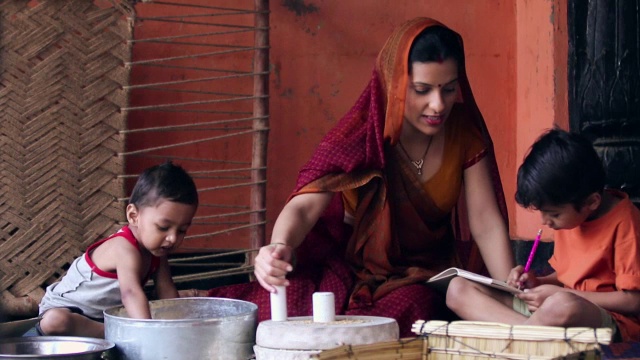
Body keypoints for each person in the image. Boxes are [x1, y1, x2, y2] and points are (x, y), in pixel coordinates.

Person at [207, 17, 514, 337]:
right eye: (422, 90)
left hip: (421, 275)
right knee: (280, 311)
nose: (438, 105)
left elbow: (484, 220)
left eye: (449, 89)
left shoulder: (463, 132)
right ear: (393, 84)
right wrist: (278, 246)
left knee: (406, 316)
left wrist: (513, 292)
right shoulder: (364, 133)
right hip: (349, 269)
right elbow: (305, 205)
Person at [446, 128, 640, 342]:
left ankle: (521, 337)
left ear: (591, 202)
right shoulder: (571, 217)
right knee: (457, 289)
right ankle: (529, 335)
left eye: (553, 214)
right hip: (550, 313)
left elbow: (633, 301)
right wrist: (537, 282)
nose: (545, 222)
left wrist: (560, 296)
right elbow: (567, 275)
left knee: (562, 305)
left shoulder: (625, 223)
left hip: (602, 318)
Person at [37, 162, 199, 338]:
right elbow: (130, 293)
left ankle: (120, 333)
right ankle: (124, 335)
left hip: (103, 317)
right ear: (133, 216)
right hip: (67, 309)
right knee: (56, 320)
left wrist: (178, 326)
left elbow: (166, 291)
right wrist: (150, 334)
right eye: (163, 227)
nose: (173, 238)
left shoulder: (158, 252)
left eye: (182, 230)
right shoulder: (124, 248)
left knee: (147, 314)